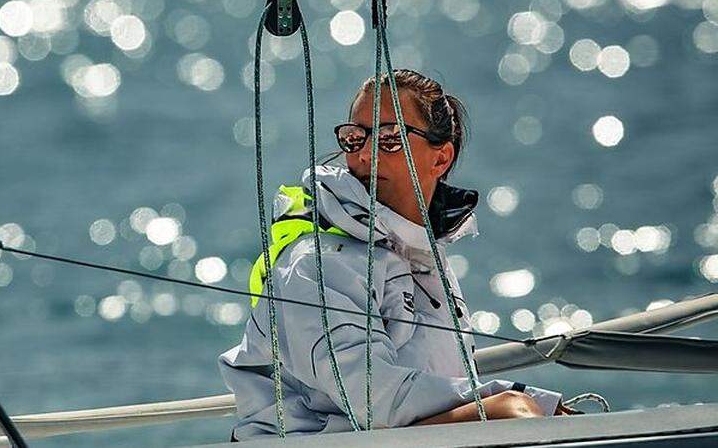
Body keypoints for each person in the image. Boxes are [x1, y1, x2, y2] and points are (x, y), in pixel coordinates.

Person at [220, 69, 571, 439]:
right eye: (356, 139)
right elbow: (375, 399)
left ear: (440, 159)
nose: (366, 155)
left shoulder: (422, 256)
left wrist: (525, 406)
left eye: (389, 139)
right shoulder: (317, 263)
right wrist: (512, 402)